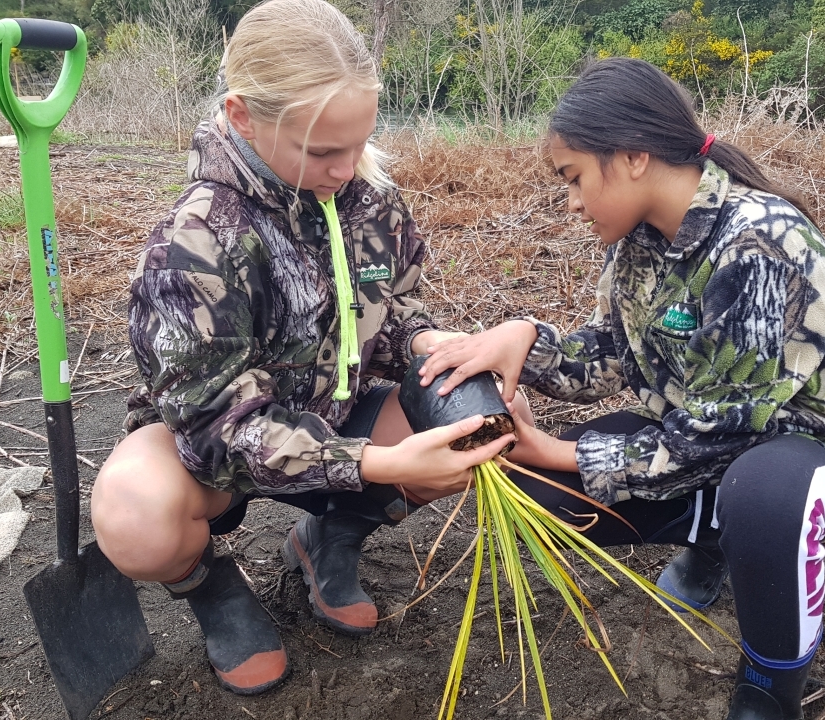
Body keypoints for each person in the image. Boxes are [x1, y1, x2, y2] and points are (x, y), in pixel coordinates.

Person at [418, 57, 825, 720]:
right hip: (692, 441)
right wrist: (524, 341)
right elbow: (609, 356)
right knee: (540, 494)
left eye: (574, 177)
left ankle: (771, 681)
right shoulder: (639, 241)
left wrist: (552, 447)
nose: (573, 202)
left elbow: (725, 433)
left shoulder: (760, 242)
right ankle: (715, 537)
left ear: (634, 156)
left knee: (761, 495)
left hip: (803, 455)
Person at [90, 0, 520, 696]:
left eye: (359, 144)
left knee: (485, 419)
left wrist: (427, 340)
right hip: (220, 456)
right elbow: (215, 430)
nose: (347, 169)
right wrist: (378, 460)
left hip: (336, 410)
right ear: (241, 116)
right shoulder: (195, 242)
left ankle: (331, 540)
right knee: (134, 514)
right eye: (322, 151)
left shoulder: (369, 197)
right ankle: (212, 591)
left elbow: (393, 309)